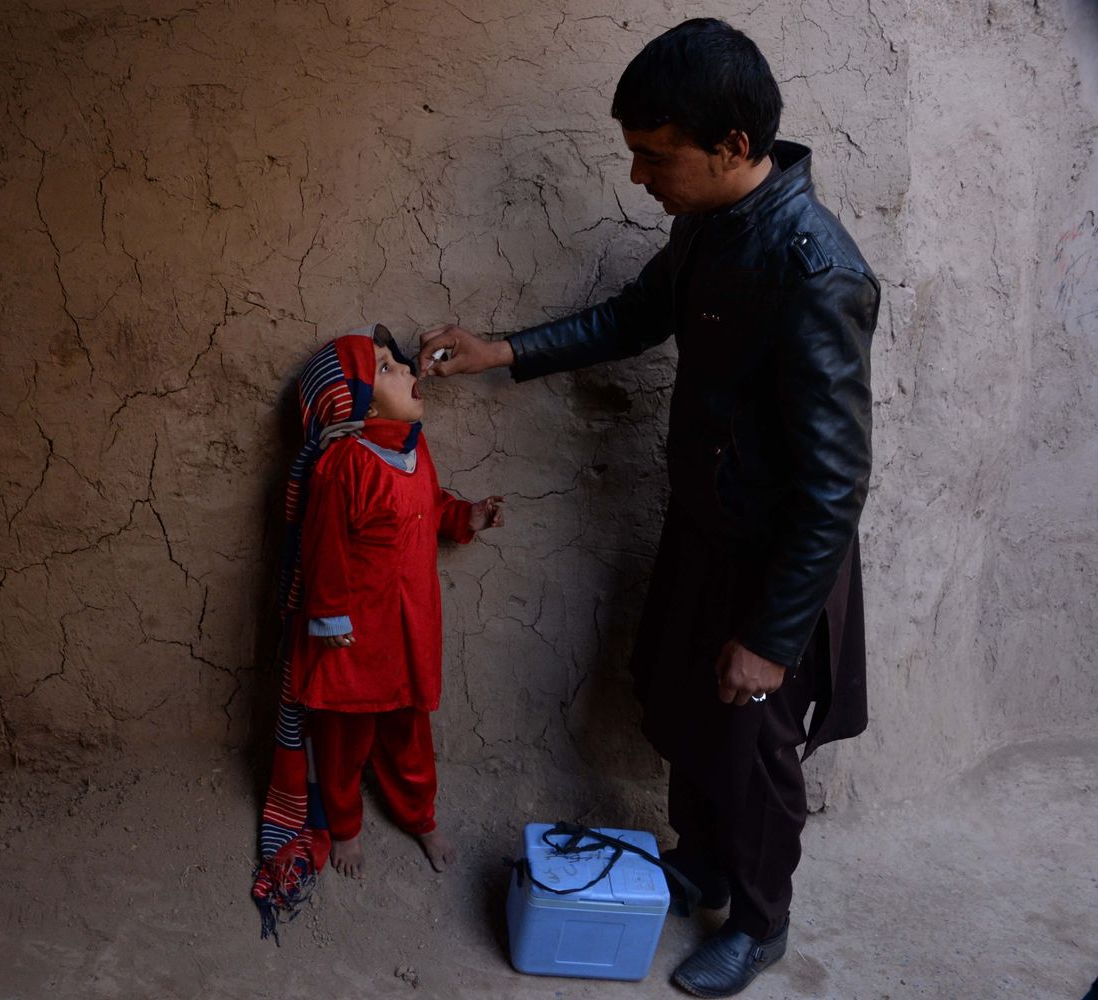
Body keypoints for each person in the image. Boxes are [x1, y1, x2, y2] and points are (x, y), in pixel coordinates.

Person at [418, 18, 876, 998]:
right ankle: (703, 866)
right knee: (684, 705)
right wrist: (505, 350)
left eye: (654, 157)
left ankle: (760, 922)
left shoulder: (817, 271)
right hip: (705, 527)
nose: (640, 177)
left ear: (733, 149)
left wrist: (774, 634)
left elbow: (836, 482)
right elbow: (635, 316)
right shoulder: (707, 224)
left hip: (776, 559)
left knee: (753, 741)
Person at [252, 324, 504, 940]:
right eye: (386, 367)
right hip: (354, 646)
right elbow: (324, 550)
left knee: (410, 735)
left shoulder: (415, 452)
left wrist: (462, 516)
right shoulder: (342, 466)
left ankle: (419, 815)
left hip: (409, 638)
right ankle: (345, 826)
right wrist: (332, 623)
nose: (403, 369)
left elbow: (430, 504)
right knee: (343, 743)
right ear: (356, 403)